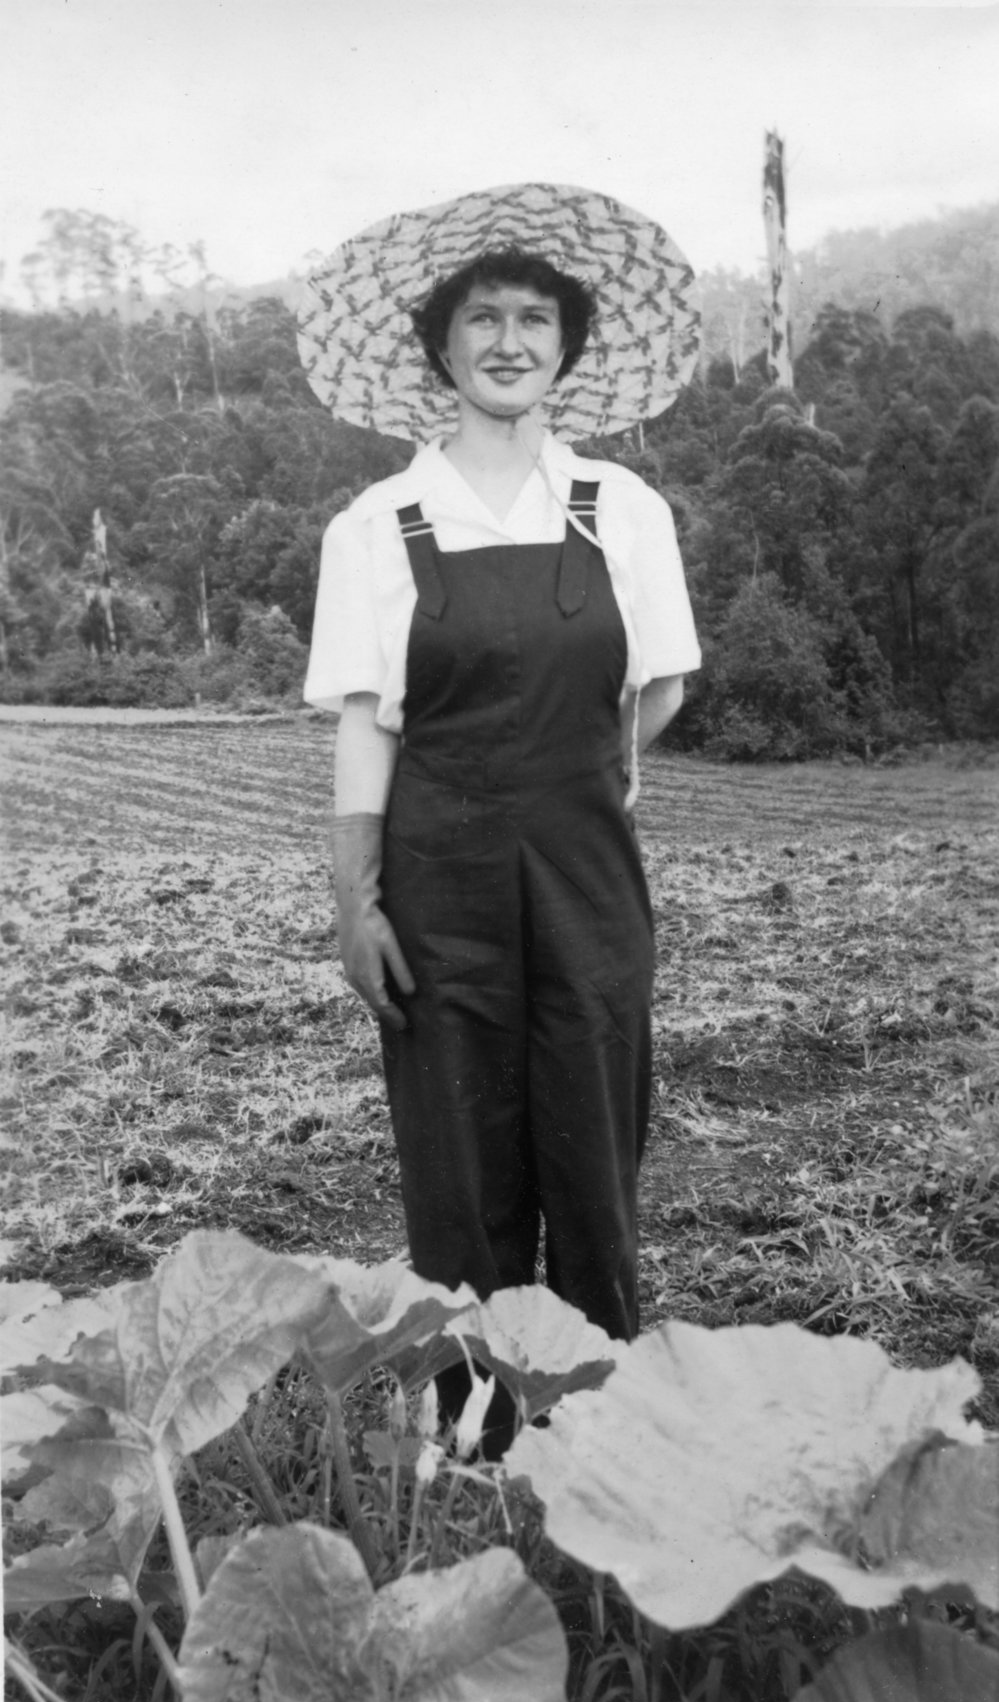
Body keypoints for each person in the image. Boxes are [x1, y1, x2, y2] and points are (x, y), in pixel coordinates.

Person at [300, 183, 701, 1366]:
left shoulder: (622, 509)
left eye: (535, 317)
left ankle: (593, 1405)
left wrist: (583, 786)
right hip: (438, 877)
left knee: (592, 1140)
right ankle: (474, 1426)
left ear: (567, 347)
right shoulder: (378, 524)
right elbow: (369, 725)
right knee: (460, 1157)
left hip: (587, 876)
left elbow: (659, 687)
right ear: (441, 346)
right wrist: (356, 904)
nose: (509, 341)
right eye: (483, 318)